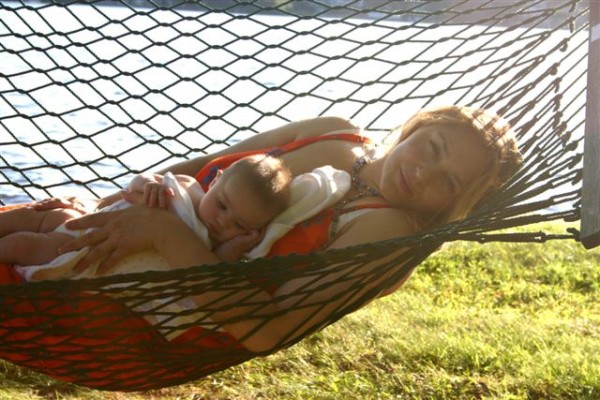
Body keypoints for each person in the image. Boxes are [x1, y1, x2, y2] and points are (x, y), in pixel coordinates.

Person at [0, 105, 522, 390]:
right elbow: (208, 164)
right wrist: (122, 196)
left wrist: (161, 233)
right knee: (35, 218)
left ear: (453, 203)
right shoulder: (338, 133)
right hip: (121, 224)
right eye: (433, 148)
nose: (424, 173)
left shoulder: (384, 232)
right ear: (422, 123)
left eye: (449, 183)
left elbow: (267, 328)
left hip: (130, 309)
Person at [0, 154, 292, 279]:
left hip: (85, 249)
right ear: (214, 182)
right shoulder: (186, 188)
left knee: (24, 245)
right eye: (222, 205)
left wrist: (236, 246)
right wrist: (148, 185)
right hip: (89, 218)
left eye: (239, 225)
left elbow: (214, 274)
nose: (222, 222)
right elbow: (135, 185)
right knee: (28, 217)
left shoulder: (208, 247)